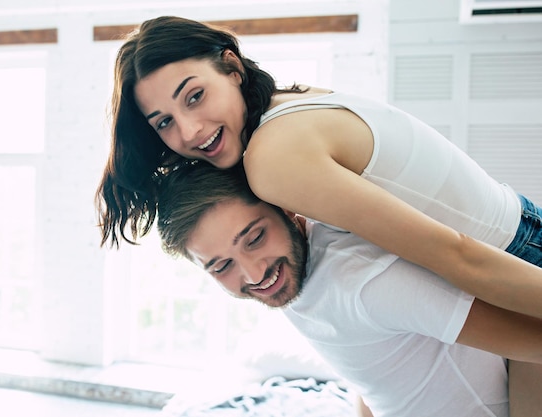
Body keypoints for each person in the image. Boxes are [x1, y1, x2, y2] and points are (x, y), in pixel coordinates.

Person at [95, 15, 542, 320]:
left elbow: (457, 253)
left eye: (195, 96)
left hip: (513, 259)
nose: (190, 131)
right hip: (517, 233)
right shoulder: (290, 100)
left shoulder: (272, 159)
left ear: (231, 67)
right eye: (165, 122)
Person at [155, 161, 542, 417]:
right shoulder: (295, 271)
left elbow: (534, 338)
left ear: (288, 209)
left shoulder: (369, 283)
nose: (254, 274)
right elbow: (372, 369)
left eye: (255, 238)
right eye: (222, 265)